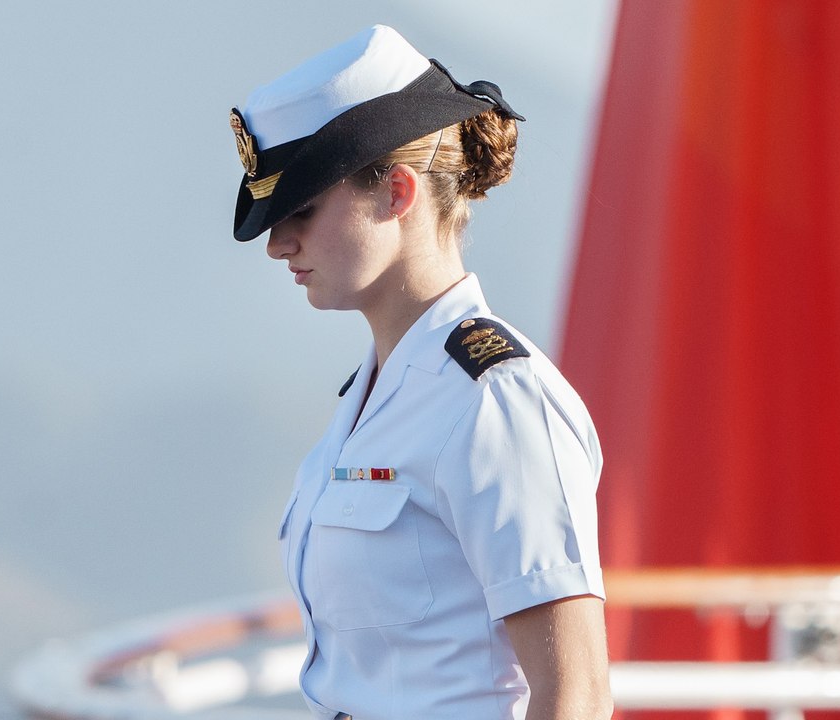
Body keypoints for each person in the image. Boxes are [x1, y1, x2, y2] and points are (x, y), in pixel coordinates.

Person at [227, 25, 611, 720]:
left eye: (301, 211)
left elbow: (576, 697)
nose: (279, 244)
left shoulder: (494, 398)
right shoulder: (379, 391)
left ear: (396, 192)